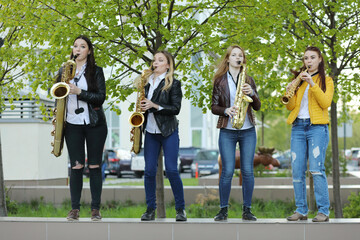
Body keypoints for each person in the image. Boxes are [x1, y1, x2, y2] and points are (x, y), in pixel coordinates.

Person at [57, 35, 108, 221]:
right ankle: (74, 209)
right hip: (72, 124)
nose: (77, 49)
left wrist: (80, 92)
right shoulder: (64, 69)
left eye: (82, 46)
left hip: (95, 124)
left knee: (94, 165)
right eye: (75, 45)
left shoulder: (97, 71)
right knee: (76, 166)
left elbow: (101, 97)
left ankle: (95, 209)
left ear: (89, 51)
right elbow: (55, 92)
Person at [211, 45, 261, 221]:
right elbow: (214, 107)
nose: (238, 58)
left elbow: (257, 106)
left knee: (247, 171)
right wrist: (226, 110)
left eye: (240, 55)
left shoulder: (249, 79)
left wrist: (252, 93)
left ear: (243, 60)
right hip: (228, 130)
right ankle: (223, 210)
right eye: (234, 55)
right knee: (227, 171)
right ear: (228, 59)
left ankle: (247, 210)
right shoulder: (219, 80)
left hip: (247, 130)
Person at [285, 46, 334, 222]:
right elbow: (290, 107)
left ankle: (323, 211)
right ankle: (301, 210)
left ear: (320, 59)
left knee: (316, 169)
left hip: (317, 128)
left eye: (312, 58)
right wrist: (290, 91)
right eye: (306, 58)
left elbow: (325, 102)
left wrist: (312, 84)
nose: (309, 61)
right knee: (297, 171)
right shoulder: (299, 81)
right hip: (298, 127)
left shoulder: (326, 80)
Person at [138, 50, 186, 221]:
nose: (155, 62)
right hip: (150, 131)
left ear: (168, 65)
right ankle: (150, 209)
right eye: (154, 60)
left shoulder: (174, 83)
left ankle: (180, 209)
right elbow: (143, 104)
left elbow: (176, 108)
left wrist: (155, 105)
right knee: (149, 171)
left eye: (160, 60)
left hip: (168, 131)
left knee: (172, 170)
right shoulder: (146, 82)